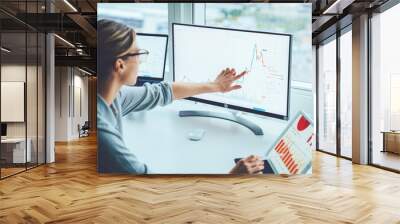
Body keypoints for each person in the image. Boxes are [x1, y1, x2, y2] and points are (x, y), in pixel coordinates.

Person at [97, 19, 264, 174]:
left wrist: (216, 86)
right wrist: (233, 176)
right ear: (120, 65)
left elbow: (162, 91)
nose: (141, 61)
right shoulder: (102, 132)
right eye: (138, 54)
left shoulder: (112, 97)